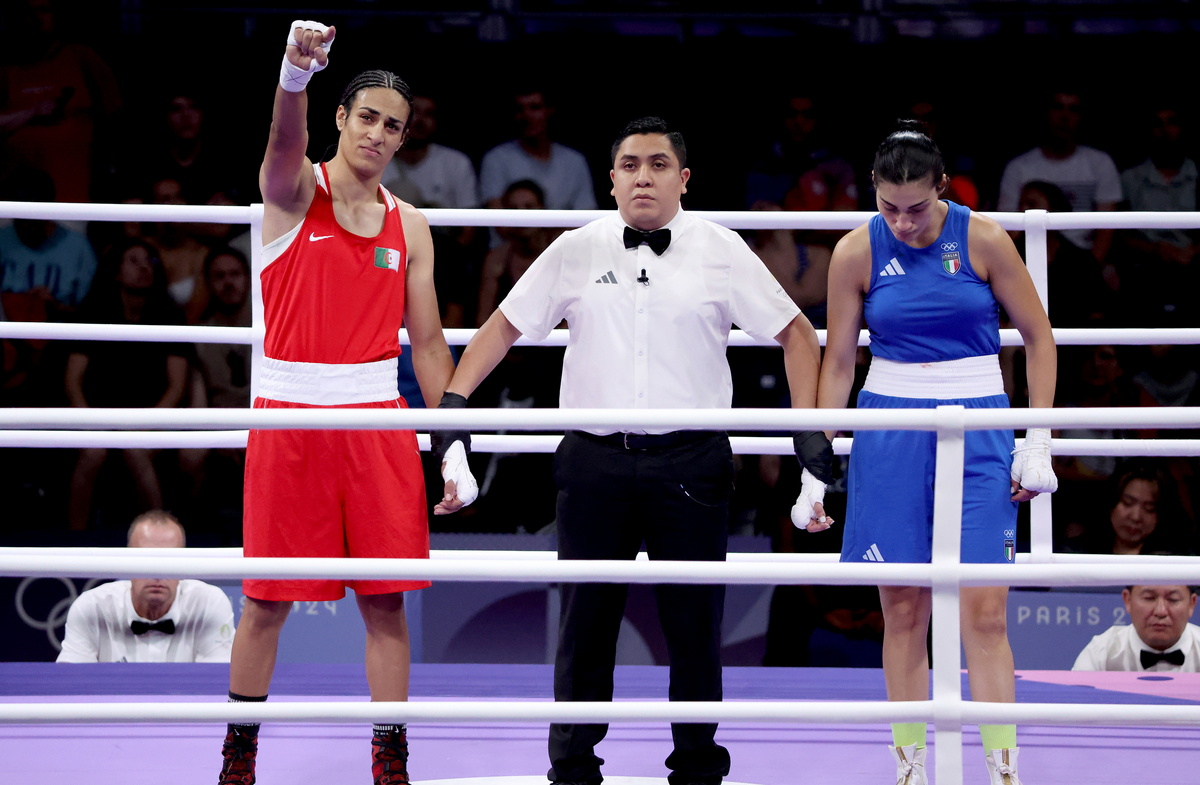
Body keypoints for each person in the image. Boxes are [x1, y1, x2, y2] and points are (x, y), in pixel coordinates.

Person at [431, 116, 831, 785]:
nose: (643, 176)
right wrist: (453, 406)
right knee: (585, 623)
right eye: (630, 165)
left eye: (658, 164)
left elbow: (796, 332)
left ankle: (698, 768)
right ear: (612, 179)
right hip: (595, 459)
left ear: (684, 178)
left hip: (692, 461)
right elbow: (502, 325)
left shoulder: (721, 248)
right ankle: (572, 768)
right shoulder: (577, 247)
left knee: (694, 626)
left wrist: (808, 430)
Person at [215, 21, 466, 785]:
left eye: (394, 125)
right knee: (265, 602)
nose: (378, 134)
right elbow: (281, 143)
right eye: (368, 117)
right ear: (341, 117)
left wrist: (452, 438)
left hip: (377, 421)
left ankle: (390, 757)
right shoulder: (293, 193)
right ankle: (238, 756)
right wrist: (294, 73)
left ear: (404, 139)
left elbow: (428, 344)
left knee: (386, 603)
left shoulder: (410, 224)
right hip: (290, 418)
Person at [818, 121, 1059, 785]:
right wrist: (818, 453)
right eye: (889, 207)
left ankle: (1003, 770)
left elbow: (1038, 339)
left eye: (917, 208)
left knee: (985, 612)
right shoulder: (854, 251)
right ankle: (909, 767)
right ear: (873, 191)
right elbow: (838, 360)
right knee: (902, 610)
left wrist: (1038, 438)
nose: (903, 222)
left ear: (944, 188)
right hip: (889, 425)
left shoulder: (984, 239)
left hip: (978, 423)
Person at [64, 238, 190, 531]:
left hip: (153, 416)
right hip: (97, 415)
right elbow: (72, 380)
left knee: (135, 448)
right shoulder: (93, 311)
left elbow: (177, 387)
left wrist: (147, 425)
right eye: (134, 261)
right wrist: (87, 422)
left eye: (150, 261)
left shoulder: (170, 315)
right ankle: (74, 539)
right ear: (116, 272)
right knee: (92, 452)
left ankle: (161, 539)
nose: (145, 267)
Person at [56, 510, 235, 663]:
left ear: (184, 565)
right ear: (127, 563)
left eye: (169, 561)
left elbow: (217, 682)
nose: (157, 573)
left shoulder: (209, 604)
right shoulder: (92, 607)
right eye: (147, 560)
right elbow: (70, 682)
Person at [996, 89, 1122, 268]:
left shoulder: (1100, 163)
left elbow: (1106, 227)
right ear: (1046, 113)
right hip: (1029, 260)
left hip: (1084, 260)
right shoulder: (1018, 168)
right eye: (1058, 107)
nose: (1064, 116)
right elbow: (1008, 230)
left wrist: (1091, 271)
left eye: (1073, 109)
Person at [478, 86, 596, 212]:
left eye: (535, 108)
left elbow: (586, 213)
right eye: (520, 109)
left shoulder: (574, 161)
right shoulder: (496, 159)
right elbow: (495, 214)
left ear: (549, 110)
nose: (527, 116)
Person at [1072, 585, 1200, 672]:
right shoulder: (1101, 653)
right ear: (1127, 600)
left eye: (1173, 599)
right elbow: (1075, 701)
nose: (1160, 611)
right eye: (1149, 598)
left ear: (1192, 604)